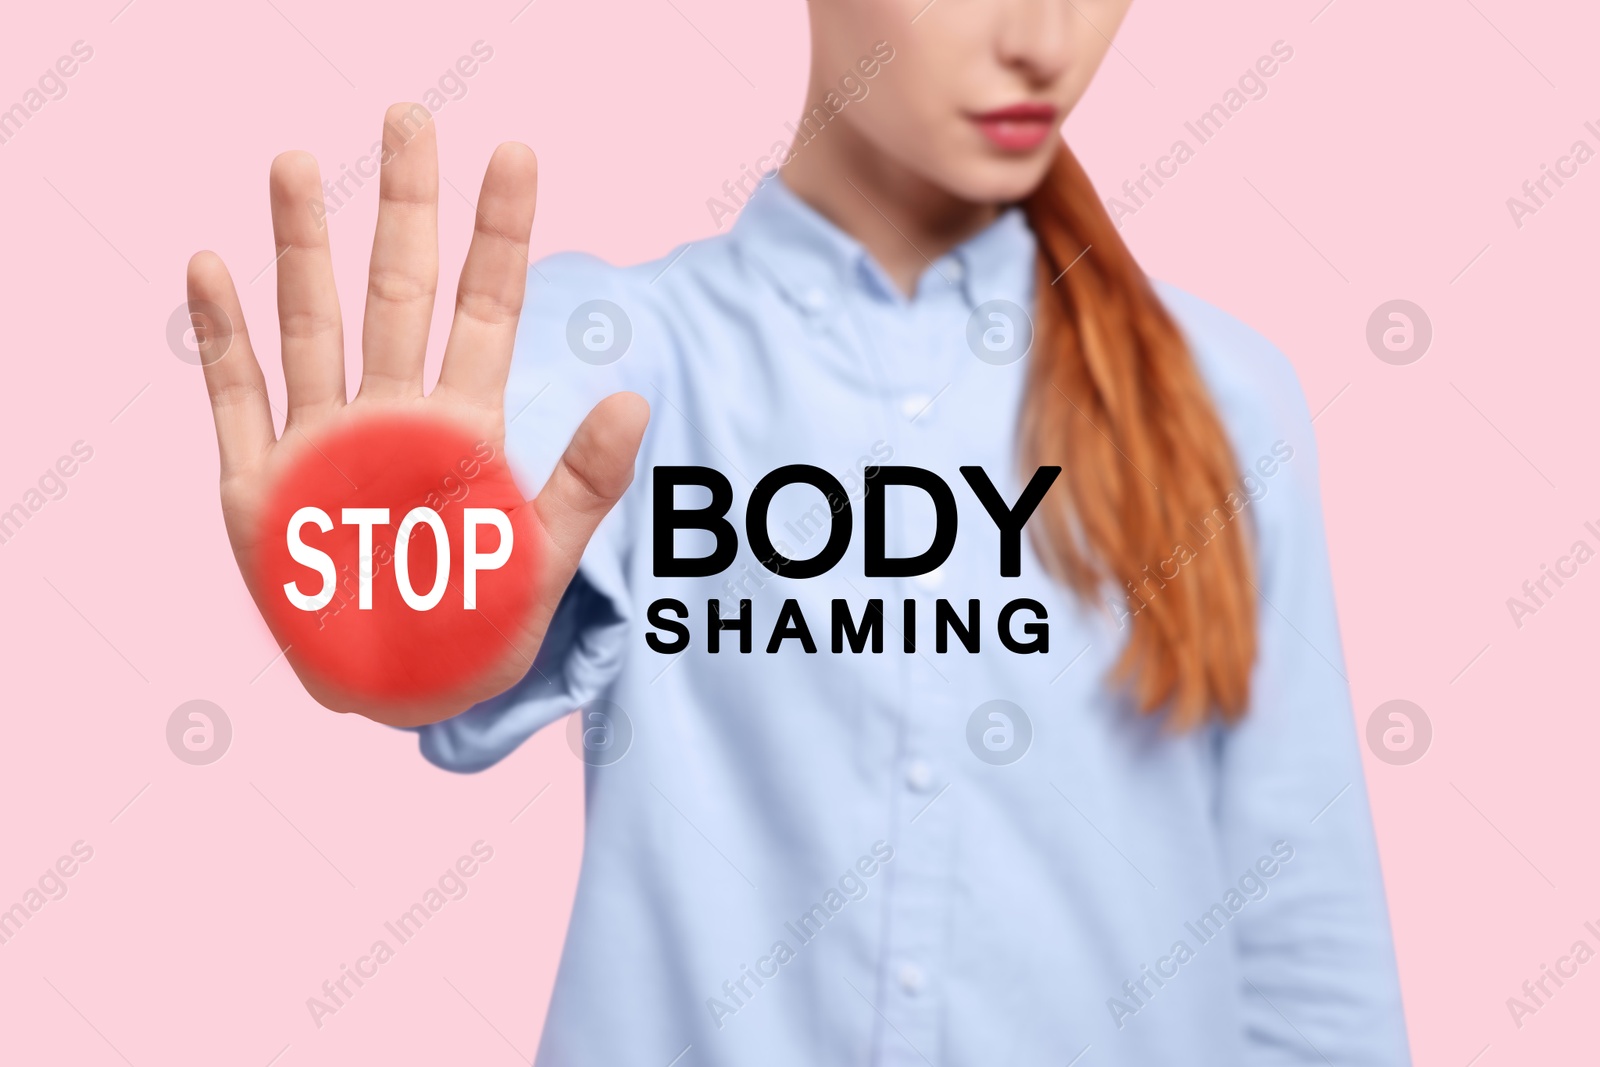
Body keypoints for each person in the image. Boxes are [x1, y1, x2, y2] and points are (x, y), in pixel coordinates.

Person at [186, 0, 1410, 1062]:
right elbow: (479, 492)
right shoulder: (627, 356)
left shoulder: (1224, 400)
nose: (1045, 41)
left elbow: (1303, 941)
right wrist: (398, 591)